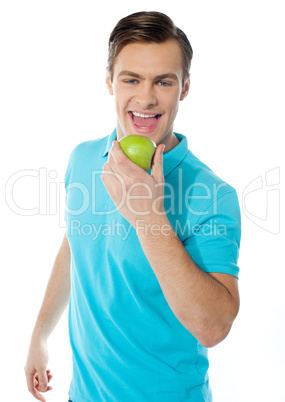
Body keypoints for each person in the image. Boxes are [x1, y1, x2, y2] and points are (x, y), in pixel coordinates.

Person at [24, 11, 241, 402]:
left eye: (163, 81)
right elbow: (75, 246)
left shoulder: (212, 194)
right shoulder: (83, 158)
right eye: (131, 79)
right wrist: (39, 336)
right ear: (109, 81)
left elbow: (214, 327)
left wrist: (149, 217)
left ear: (185, 87)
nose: (145, 98)